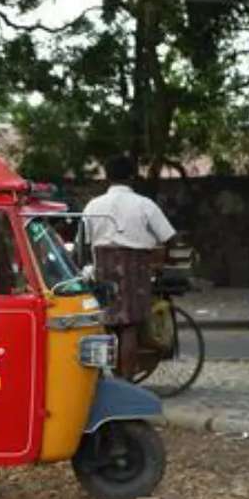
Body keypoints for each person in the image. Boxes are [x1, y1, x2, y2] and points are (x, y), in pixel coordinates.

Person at [83, 154, 176, 378]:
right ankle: (125, 380)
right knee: (130, 326)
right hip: (136, 270)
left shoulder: (93, 205)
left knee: (106, 324)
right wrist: (162, 257)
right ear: (132, 177)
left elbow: (85, 240)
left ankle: (104, 379)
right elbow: (169, 236)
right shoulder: (144, 204)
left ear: (107, 177)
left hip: (103, 268)